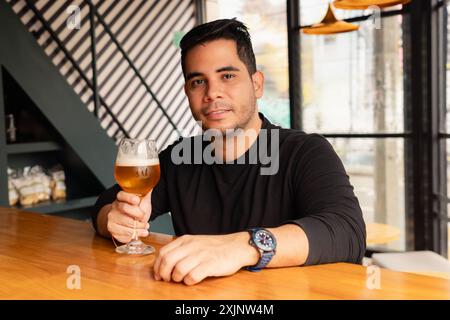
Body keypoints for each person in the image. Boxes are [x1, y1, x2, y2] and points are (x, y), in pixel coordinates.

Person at [92, 18, 366, 286]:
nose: (212, 93)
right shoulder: (180, 158)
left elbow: (346, 232)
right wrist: (114, 220)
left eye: (227, 76)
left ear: (257, 84)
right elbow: (105, 204)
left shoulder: (305, 152)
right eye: (198, 81)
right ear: (187, 92)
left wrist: (241, 246)